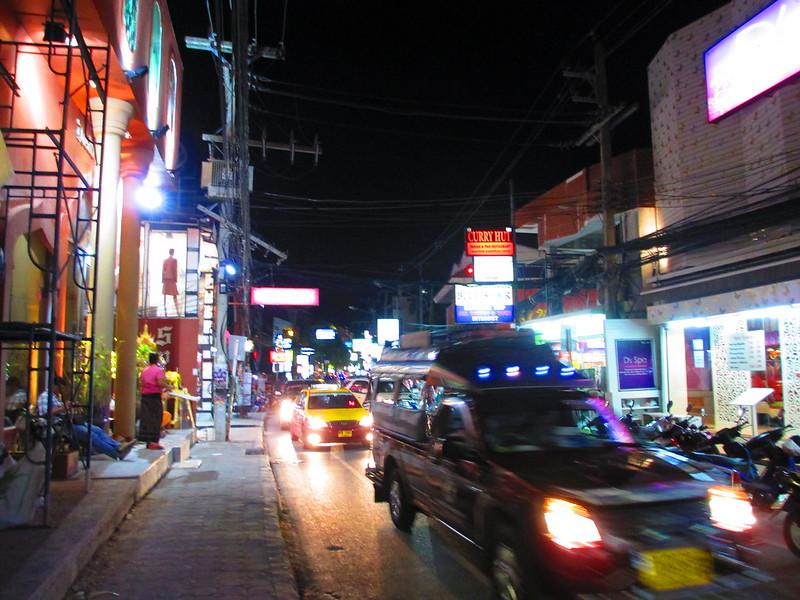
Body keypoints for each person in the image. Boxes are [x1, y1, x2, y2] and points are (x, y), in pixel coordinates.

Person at [139, 353, 169, 450]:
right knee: (156, 417)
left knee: (147, 417)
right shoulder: (159, 370)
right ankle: (155, 441)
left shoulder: (144, 370)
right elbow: (160, 382)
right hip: (154, 396)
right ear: (157, 360)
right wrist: (169, 387)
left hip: (145, 396)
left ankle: (148, 441)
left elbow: (141, 383)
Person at [162, 248, 180, 316]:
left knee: (165, 294)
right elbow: (174, 270)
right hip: (172, 278)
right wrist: (176, 279)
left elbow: (163, 270)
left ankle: (165, 310)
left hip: (166, 278)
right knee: (174, 295)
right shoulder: (174, 260)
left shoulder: (165, 260)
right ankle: (177, 311)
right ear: (173, 253)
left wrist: (163, 279)